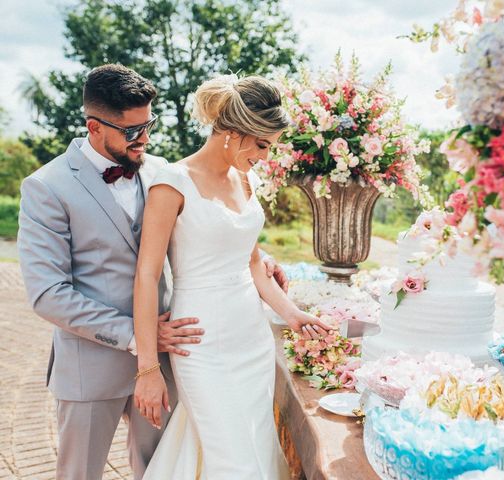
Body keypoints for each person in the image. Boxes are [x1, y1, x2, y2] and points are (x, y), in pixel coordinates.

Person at [17, 64, 288, 480]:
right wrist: (135, 336)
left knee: (161, 467)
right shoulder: (46, 186)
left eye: (149, 125)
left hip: (172, 356)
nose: (145, 139)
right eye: (132, 131)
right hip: (93, 363)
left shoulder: (163, 170)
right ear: (94, 126)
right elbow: (47, 293)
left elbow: (205, 225)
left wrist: (258, 257)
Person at [133, 74, 330, 479]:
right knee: (233, 459)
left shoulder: (246, 179)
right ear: (234, 132)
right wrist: (148, 368)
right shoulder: (171, 184)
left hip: (252, 338)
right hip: (202, 345)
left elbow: (252, 262)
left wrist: (292, 314)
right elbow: (146, 276)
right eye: (261, 144)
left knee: (255, 446)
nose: (264, 156)